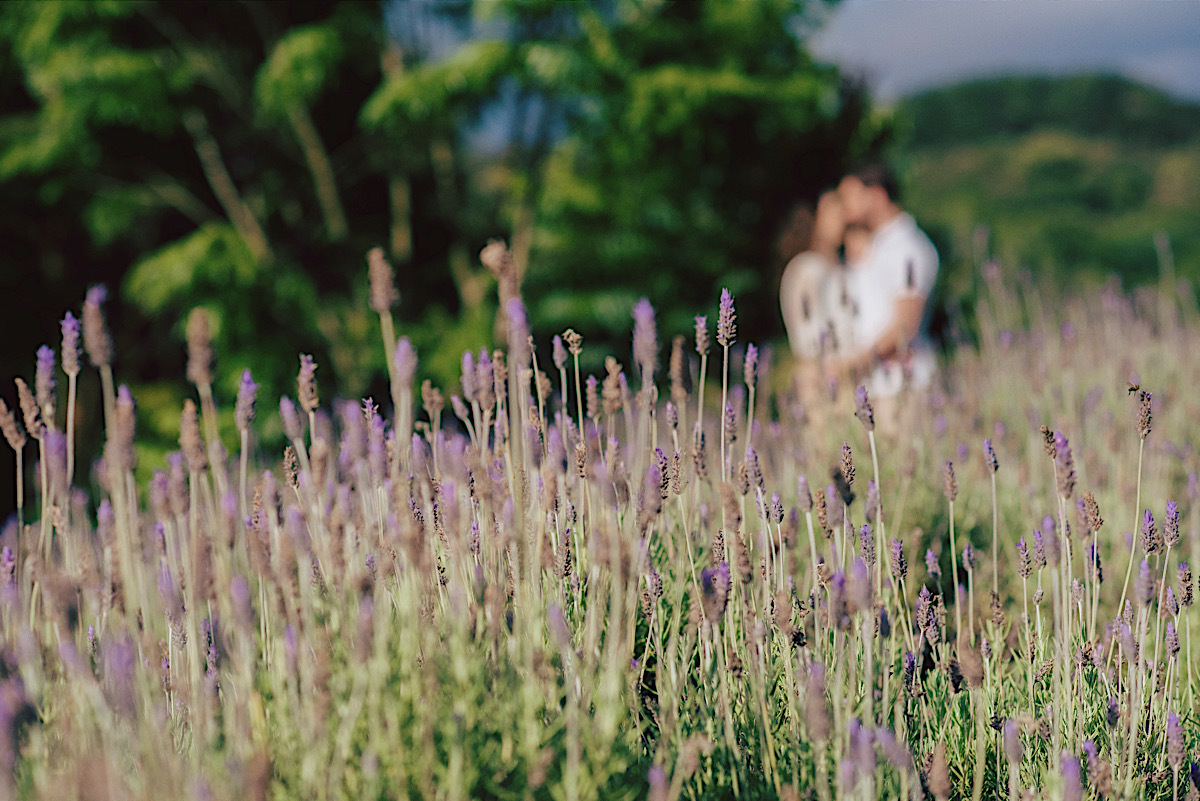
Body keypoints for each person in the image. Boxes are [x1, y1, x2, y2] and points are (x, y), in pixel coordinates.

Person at [831, 163, 940, 397]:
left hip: (902, 386)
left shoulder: (908, 248)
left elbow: (905, 326)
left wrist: (851, 365)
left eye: (851, 197)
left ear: (878, 196)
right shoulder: (879, 246)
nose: (844, 208)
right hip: (877, 385)